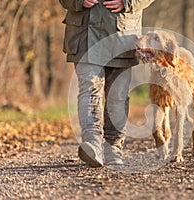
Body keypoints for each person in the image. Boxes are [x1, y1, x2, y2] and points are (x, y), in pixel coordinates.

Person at [59, 0, 155, 167]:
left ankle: (113, 147)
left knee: (117, 95)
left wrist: (128, 2)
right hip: (84, 33)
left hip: (122, 33)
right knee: (89, 88)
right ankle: (92, 143)